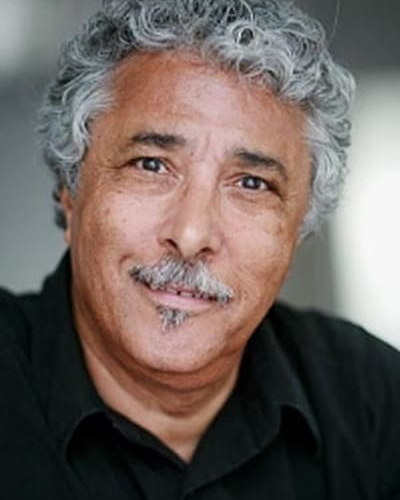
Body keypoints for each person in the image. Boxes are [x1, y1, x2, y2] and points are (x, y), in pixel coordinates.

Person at [0, 0, 399, 498]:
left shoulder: (375, 405)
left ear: (300, 227)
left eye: (251, 183)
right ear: (70, 191)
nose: (190, 236)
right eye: (150, 165)